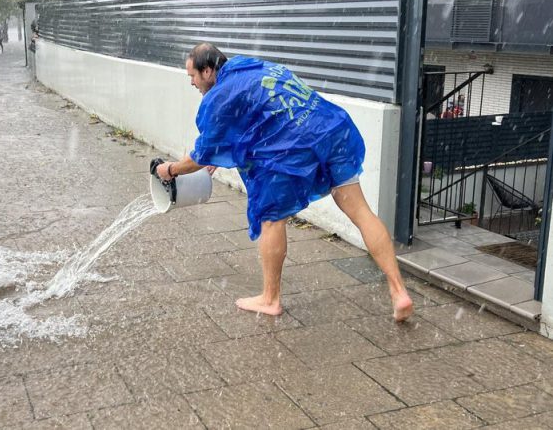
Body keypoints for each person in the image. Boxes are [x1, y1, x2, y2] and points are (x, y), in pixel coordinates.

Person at [155, 43, 414, 322]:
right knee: (361, 213)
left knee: (271, 219)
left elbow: (200, 154)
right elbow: (257, 114)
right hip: (332, 129)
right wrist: (222, 154)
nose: (192, 82)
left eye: (192, 76)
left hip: (296, 146)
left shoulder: (220, 95)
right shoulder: (250, 66)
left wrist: (170, 169)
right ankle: (399, 292)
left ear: (207, 71)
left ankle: (270, 299)